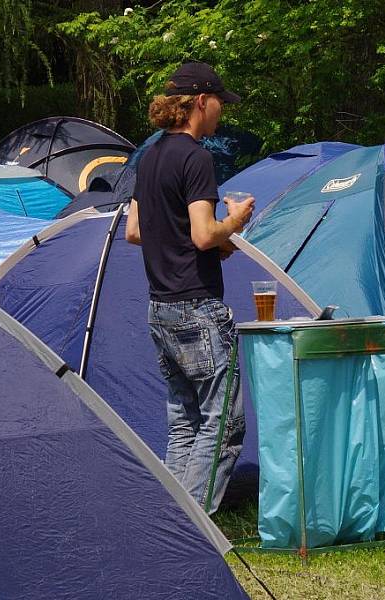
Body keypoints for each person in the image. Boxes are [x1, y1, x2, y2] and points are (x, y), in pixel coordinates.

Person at [125, 61, 255, 512]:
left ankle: (171, 523)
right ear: (201, 101)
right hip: (197, 308)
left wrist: (207, 244)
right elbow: (203, 233)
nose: (222, 111)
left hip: (159, 307)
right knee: (223, 424)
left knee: (185, 424)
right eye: (220, 101)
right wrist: (233, 224)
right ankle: (195, 527)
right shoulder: (196, 157)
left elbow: (137, 230)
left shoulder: (150, 156)